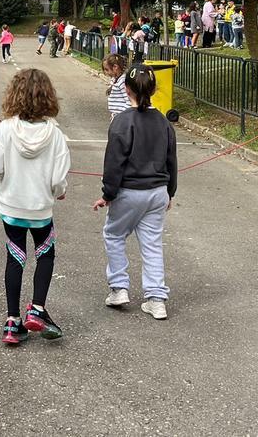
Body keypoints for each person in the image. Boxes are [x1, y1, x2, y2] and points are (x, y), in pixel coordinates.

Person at [0, 68, 71, 345]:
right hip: (40, 208)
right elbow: (59, 179)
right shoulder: (55, 135)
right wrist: (59, 192)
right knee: (45, 254)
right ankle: (37, 308)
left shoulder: (6, 128)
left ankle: (12, 321)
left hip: (11, 205)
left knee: (16, 257)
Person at [94, 64, 178, 321]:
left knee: (115, 234)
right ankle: (156, 298)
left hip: (129, 190)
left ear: (126, 89)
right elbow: (171, 159)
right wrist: (170, 192)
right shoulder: (164, 122)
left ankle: (119, 287)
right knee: (152, 243)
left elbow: (114, 161)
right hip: (157, 191)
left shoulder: (122, 121)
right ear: (153, 90)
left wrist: (108, 193)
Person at [101, 54, 130, 120]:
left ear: (115, 67)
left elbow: (129, 102)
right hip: (117, 117)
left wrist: (121, 116)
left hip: (122, 119)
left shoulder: (122, 81)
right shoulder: (115, 79)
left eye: (107, 69)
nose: (106, 72)